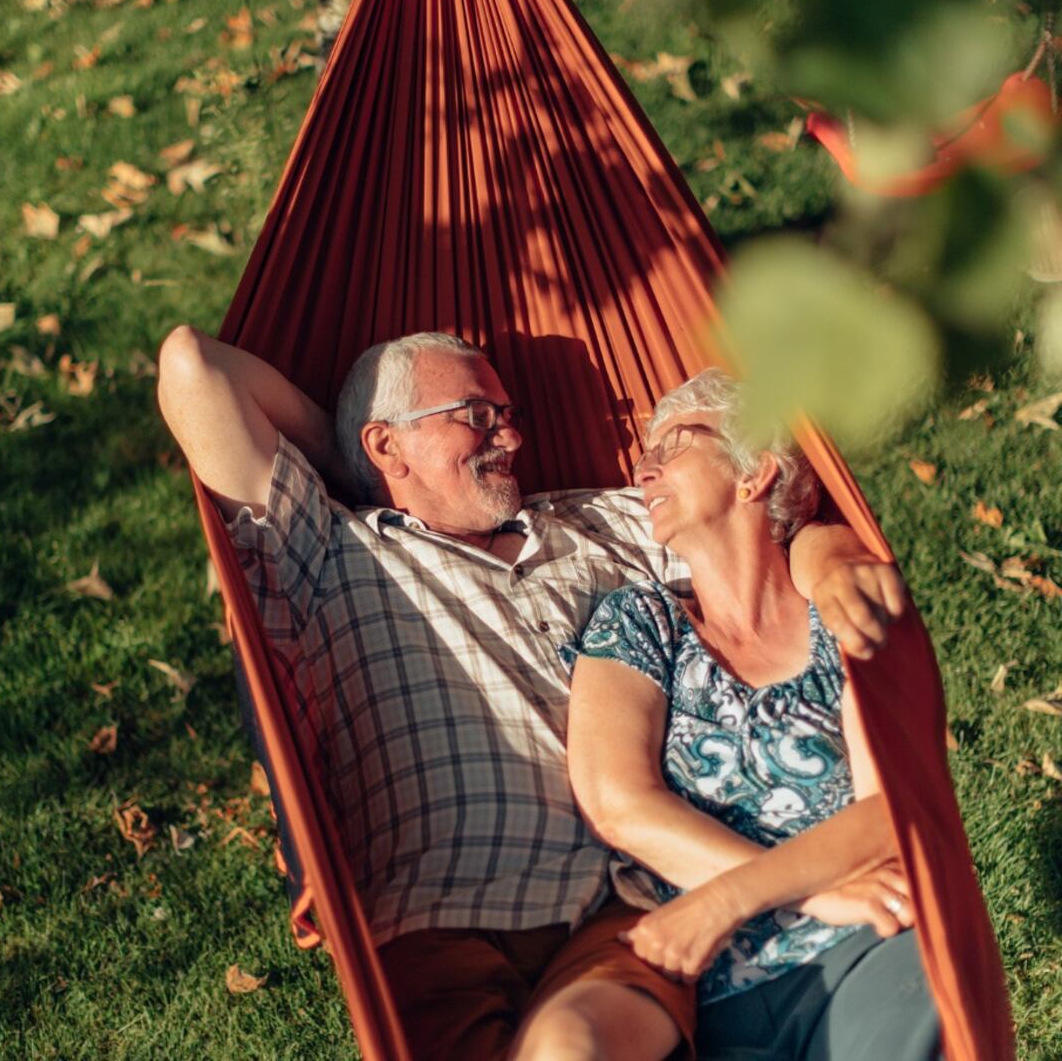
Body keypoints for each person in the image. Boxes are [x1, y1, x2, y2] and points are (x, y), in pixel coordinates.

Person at [156, 328, 907, 1061]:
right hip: (436, 924)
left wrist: (835, 561)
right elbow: (194, 367)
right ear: (387, 445)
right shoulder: (324, 551)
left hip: (621, 906)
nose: (509, 438)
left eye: (510, 417)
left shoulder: (599, 522)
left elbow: (759, 521)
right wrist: (355, 455)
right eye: (477, 417)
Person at [517, 369, 939, 1061]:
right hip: (702, 986)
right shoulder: (639, 623)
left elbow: (892, 808)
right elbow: (620, 805)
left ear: (755, 473)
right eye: (644, 450)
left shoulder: (841, 610)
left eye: (675, 443)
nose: (642, 468)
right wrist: (811, 894)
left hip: (868, 946)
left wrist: (724, 901)